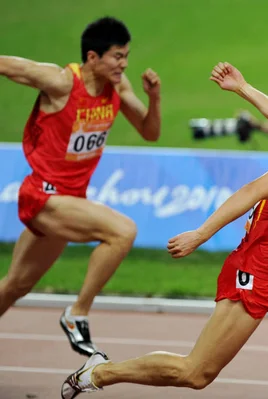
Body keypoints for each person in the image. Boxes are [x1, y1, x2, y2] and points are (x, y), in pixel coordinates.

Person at [61, 62, 268, 399]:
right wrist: (201, 234)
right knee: (195, 372)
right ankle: (101, 372)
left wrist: (242, 88)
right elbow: (253, 190)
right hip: (257, 271)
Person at [0, 16, 161, 356]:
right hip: (42, 195)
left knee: (15, 286)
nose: (125, 64)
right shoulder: (60, 82)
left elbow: (150, 132)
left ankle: (75, 312)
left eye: (126, 55)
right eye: (117, 56)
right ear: (92, 57)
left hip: (70, 201)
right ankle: (78, 313)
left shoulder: (118, 87)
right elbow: (11, 66)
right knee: (123, 232)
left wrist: (155, 98)